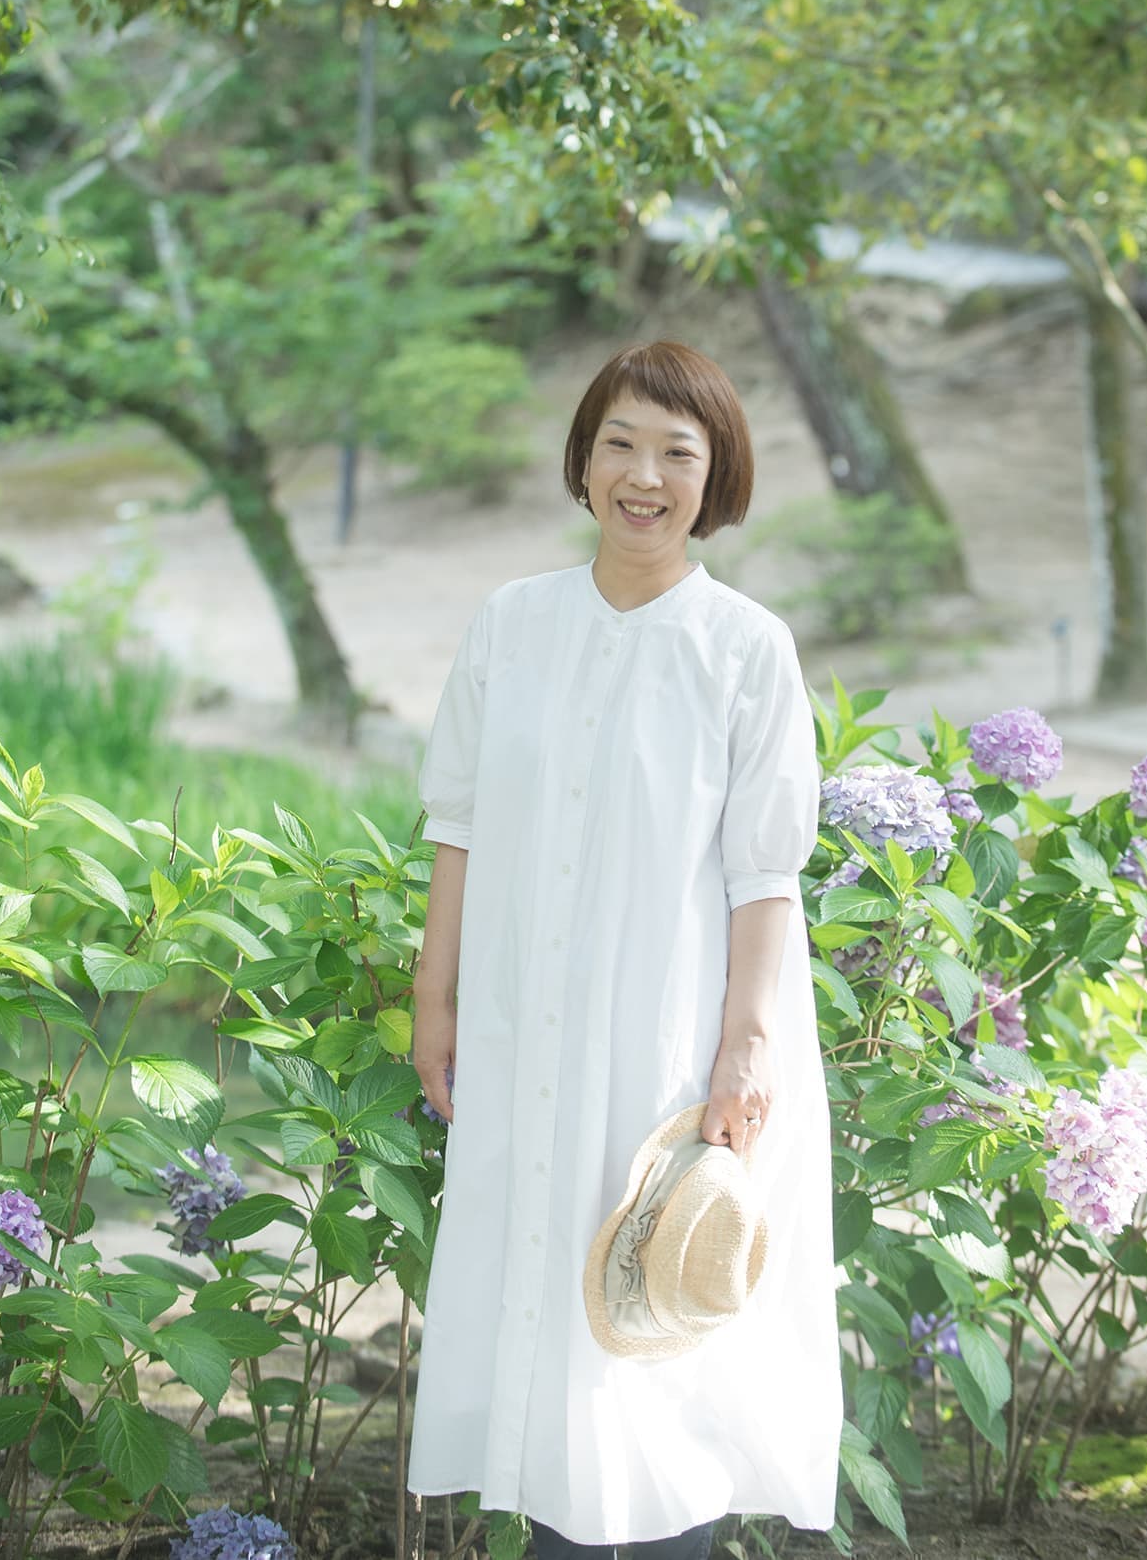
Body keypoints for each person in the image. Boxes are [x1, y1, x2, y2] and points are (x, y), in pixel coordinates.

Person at [407, 340, 842, 1560]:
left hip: (671, 1036)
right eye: (620, 443)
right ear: (584, 458)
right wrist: (434, 998)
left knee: (654, 1318)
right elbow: (459, 823)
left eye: (676, 452)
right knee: (542, 1297)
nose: (644, 476)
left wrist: (745, 1049)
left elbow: (765, 873)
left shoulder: (745, 645)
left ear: (717, 475)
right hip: (523, 1025)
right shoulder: (513, 622)